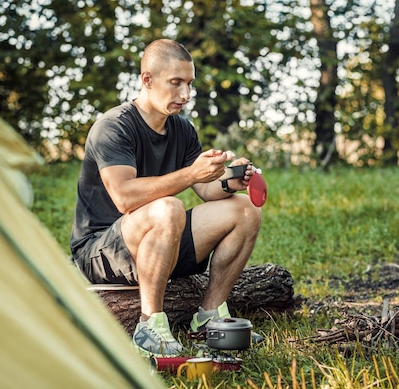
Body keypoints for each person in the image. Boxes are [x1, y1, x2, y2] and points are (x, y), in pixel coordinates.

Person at [70, 39, 262, 357]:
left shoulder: (183, 130)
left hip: (160, 238)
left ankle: (209, 317)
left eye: (188, 84)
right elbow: (124, 198)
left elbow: (206, 190)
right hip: (100, 250)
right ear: (147, 79)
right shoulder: (113, 127)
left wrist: (230, 180)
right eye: (175, 83)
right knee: (168, 208)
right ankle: (150, 325)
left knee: (244, 211)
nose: (185, 95)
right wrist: (191, 174)